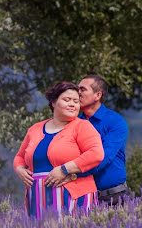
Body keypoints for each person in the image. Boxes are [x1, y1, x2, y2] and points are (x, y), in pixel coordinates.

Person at [13, 82, 104, 218]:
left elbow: (96, 153)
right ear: (54, 102)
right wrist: (19, 169)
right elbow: (20, 157)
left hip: (74, 196)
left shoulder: (82, 126)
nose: (72, 104)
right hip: (38, 198)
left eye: (76, 101)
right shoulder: (35, 129)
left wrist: (64, 169)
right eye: (66, 100)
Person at [71, 75, 130, 205]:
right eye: (77, 89)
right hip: (81, 196)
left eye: (82, 89)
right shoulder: (73, 123)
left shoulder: (115, 122)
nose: (77, 93)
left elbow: (102, 158)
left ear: (98, 95)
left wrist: (70, 174)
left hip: (114, 197)